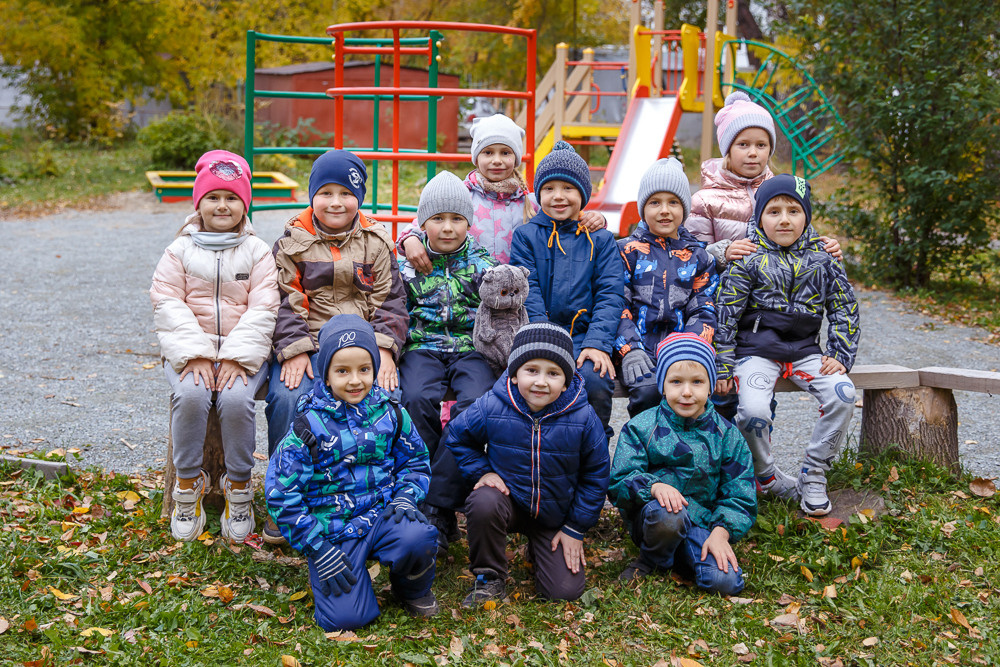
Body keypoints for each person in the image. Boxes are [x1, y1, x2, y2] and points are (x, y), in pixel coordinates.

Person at [264, 150, 409, 543]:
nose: (335, 202)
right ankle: (285, 497)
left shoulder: (376, 242)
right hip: (311, 343)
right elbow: (282, 300)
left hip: (361, 348)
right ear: (312, 196)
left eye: (345, 193)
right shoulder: (292, 244)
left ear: (359, 198)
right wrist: (295, 347)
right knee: (288, 397)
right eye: (325, 192)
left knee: (393, 395)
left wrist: (383, 348)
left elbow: (391, 301)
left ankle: (386, 494)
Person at [265, 315, 439, 631]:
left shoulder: (392, 413)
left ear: (375, 370)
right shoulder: (308, 426)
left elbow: (414, 462)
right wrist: (316, 546)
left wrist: (405, 498)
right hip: (332, 533)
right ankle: (330, 571)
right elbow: (281, 493)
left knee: (419, 537)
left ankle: (411, 589)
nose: (355, 380)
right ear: (326, 376)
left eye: (364, 369)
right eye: (342, 371)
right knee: (346, 620)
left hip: (382, 516)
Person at [685, 91, 841, 420]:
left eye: (761, 145)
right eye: (743, 144)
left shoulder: (782, 188)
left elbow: (802, 232)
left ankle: (755, 466)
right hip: (720, 310)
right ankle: (719, 459)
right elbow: (690, 256)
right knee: (724, 396)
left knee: (760, 400)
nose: (753, 153)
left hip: (765, 314)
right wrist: (722, 251)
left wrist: (825, 246)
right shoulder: (705, 199)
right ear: (727, 147)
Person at [150, 150, 279, 543]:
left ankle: (239, 487)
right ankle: (188, 483)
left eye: (232, 198)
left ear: (245, 204)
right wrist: (197, 354)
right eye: (213, 197)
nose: (222, 205)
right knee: (190, 395)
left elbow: (265, 306)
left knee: (237, 401)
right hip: (191, 351)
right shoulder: (180, 250)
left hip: (245, 354)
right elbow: (167, 301)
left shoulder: (257, 252)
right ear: (199, 203)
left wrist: (237, 359)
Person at [714, 175, 860, 515]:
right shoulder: (748, 258)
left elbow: (843, 306)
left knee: (843, 395)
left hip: (806, 352)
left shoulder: (823, 259)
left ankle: (814, 472)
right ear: (758, 217)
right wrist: (723, 364)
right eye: (773, 211)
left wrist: (839, 353)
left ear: (806, 216)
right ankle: (766, 475)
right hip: (756, 353)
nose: (784, 219)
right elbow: (725, 315)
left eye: (794, 211)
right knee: (752, 412)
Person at [443, 323, 610, 606]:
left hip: (555, 515)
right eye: (531, 370)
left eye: (553, 373)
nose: (541, 382)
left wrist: (575, 528)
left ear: (567, 381)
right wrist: (482, 471)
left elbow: (596, 474)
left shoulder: (583, 417)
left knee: (563, 592)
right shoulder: (493, 405)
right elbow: (458, 436)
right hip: (509, 502)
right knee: (484, 501)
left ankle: (539, 548)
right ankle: (489, 576)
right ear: (514, 372)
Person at [397, 171, 498, 555]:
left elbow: (499, 308)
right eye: (438, 219)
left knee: (475, 405)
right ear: (422, 223)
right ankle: (427, 498)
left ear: (468, 223)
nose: (448, 227)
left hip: (470, 347)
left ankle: (436, 506)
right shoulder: (407, 260)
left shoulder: (481, 261)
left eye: (456, 219)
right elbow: (396, 308)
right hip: (422, 346)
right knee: (417, 399)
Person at [609, 333, 756, 595]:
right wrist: (654, 487)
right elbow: (620, 480)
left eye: (697, 382)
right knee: (670, 515)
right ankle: (651, 560)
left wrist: (721, 533)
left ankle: (684, 555)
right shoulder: (641, 427)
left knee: (726, 583)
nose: (686, 392)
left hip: (703, 524)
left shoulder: (727, 435)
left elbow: (740, 494)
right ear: (663, 386)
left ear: (710, 386)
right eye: (676, 382)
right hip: (656, 519)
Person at [509, 141, 625, 439]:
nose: (558, 196)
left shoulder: (600, 239)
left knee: (595, 379)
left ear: (583, 194)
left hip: (586, 336)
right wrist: (544, 336)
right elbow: (527, 290)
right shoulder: (526, 236)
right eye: (549, 189)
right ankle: (536, 449)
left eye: (568, 189)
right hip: (541, 332)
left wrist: (598, 344)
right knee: (533, 383)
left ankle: (594, 450)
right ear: (538, 194)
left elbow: (609, 294)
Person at [397, 113, 605, 268]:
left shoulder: (531, 202)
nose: (497, 160)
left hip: (517, 296)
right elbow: (424, 221)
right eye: (488, 152)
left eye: (505, 152)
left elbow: (567, 219)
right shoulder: (460, 195)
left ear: (515, 158)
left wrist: (596, 219)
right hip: (467, 293)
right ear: (476, 157)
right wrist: (410, 239)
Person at [615, 157, 718, 418]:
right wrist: (630, 350)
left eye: (673, 202)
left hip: (682, 348)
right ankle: (645, 449)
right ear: (643, 208)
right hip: (638, 348)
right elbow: (617, 304)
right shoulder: (626, 251)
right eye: (655, 202)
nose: (664, 210)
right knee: (648, 392)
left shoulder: (699, 257)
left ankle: (685, 453)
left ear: (684, 208)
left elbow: (704, 308)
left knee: (691, 394)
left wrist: (690, 349)